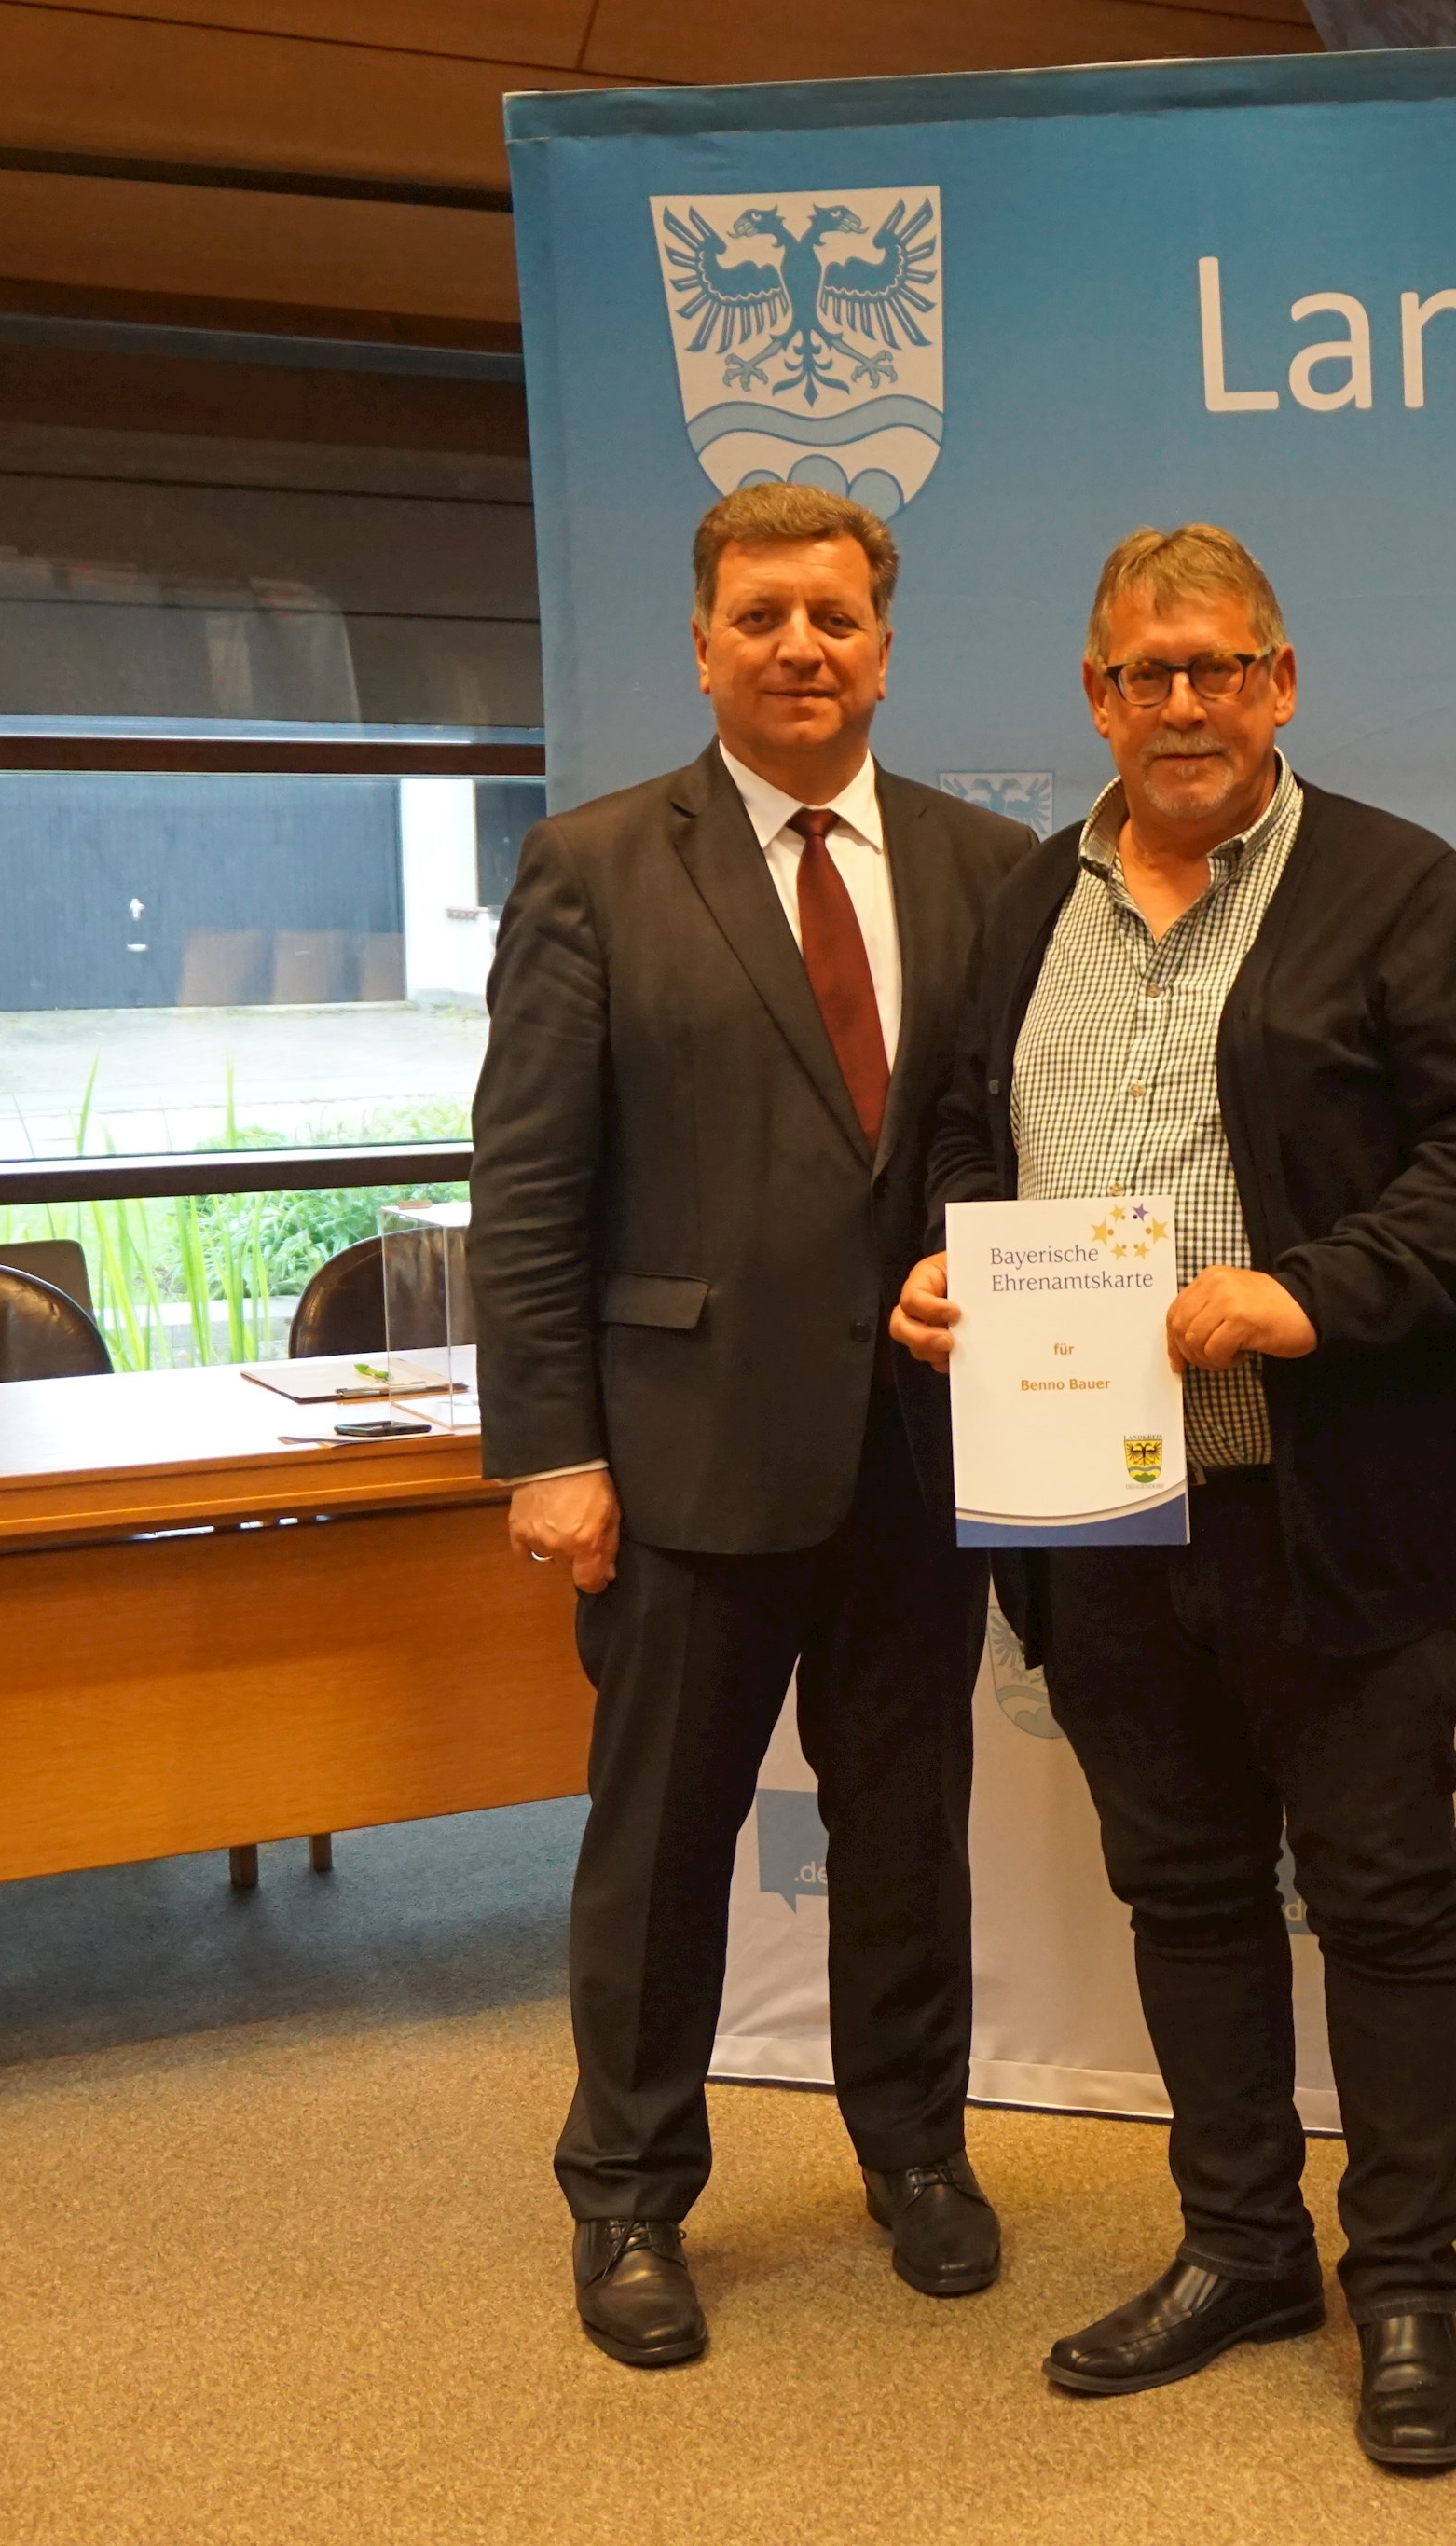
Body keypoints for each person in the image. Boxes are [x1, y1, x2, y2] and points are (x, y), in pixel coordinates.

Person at [891, 524, 1456, 2471]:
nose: (1180, 704)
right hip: (1094, 1515)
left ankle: (1406, 2284)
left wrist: (1308, 1291)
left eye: (1217, 669)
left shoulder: (1397, 889)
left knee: (1385, 1900)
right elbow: (964, 1134)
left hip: (1324, 1505)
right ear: (1094, 698)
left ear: (1280, 684)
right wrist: (942, 1265)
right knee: (1181, 1892)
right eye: (1142, 675)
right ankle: (1243, 2246)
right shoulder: (1034, 899)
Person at [472, 482, 1038, 2369]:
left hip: (920, 1456)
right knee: (659, 1853)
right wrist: (550, 1451)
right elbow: (528, 1184)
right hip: (679, 1460)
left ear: (885, 646)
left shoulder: (985, 865)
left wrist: (977, 1258)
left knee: (908, 1836)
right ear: (702, 645)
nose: (802, 646)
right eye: (763, 615)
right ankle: (629, 2195)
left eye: (835, 617)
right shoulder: (594, 866)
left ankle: (918, 2156)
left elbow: (991, 1136)